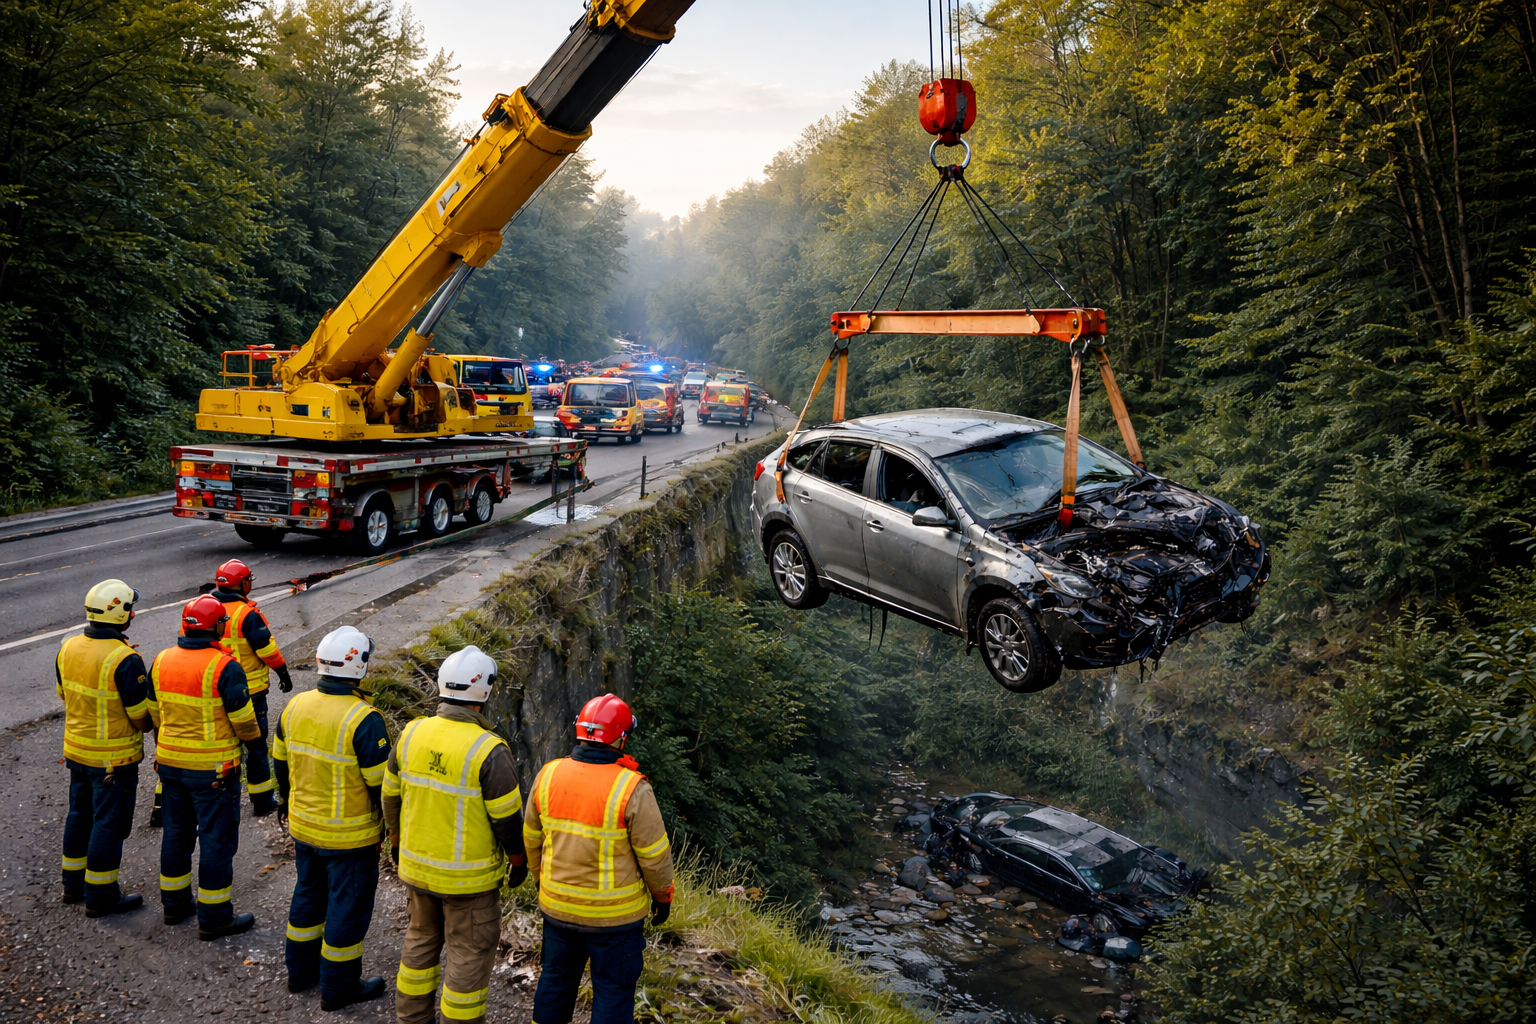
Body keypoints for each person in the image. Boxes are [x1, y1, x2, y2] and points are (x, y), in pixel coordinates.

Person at [384, 646, 527, 1024]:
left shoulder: (411, 733)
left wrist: (396, 843)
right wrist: (518, 860)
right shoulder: (489, 750)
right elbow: (508, 820)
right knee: (468, 955)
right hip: (468, 883)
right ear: (485, 692)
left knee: (419, 942)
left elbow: (390, 796)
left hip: (417, 872)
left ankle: (411, 1019)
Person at [525, 694, 675, 1024]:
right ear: (621, 737)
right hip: (614, 921)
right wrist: (662, 898)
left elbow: (532, 837)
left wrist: (539, 880)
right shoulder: (631, 787)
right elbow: (654, 857)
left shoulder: (549, 774)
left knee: (555, 981)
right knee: (612, 992)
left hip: (558, 909)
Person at [272, 626, 388, 1011]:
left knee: (308, 896)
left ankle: (299, 972)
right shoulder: (364, 719)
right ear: (359, 666)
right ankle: (339, 988)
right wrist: (389, 829)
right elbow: (381, 787)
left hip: (304, 828)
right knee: (346, 910)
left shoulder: (295, 706)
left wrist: (288, 803)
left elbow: (281, 765)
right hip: (350, 839)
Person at [147, 594, 262, 940]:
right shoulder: (224, 666)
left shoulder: (161, 660)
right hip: (213, 771)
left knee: (176, 834)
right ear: (217, 627)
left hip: (170, 765)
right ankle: (214, 917)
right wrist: (255, 746)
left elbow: (153, 713)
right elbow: (244, 720)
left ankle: (174, 905)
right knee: (216, 840)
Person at [56, 579, 153, 917]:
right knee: (108, 826)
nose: (134, 613)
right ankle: (101, 896)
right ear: (120, 615)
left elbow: (64, 694)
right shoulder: (125, 658)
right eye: (130, 608)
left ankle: (72, 886)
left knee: (79, 817)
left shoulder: (68, 647)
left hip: (76, 752)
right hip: (113, 760)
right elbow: (140, 716)